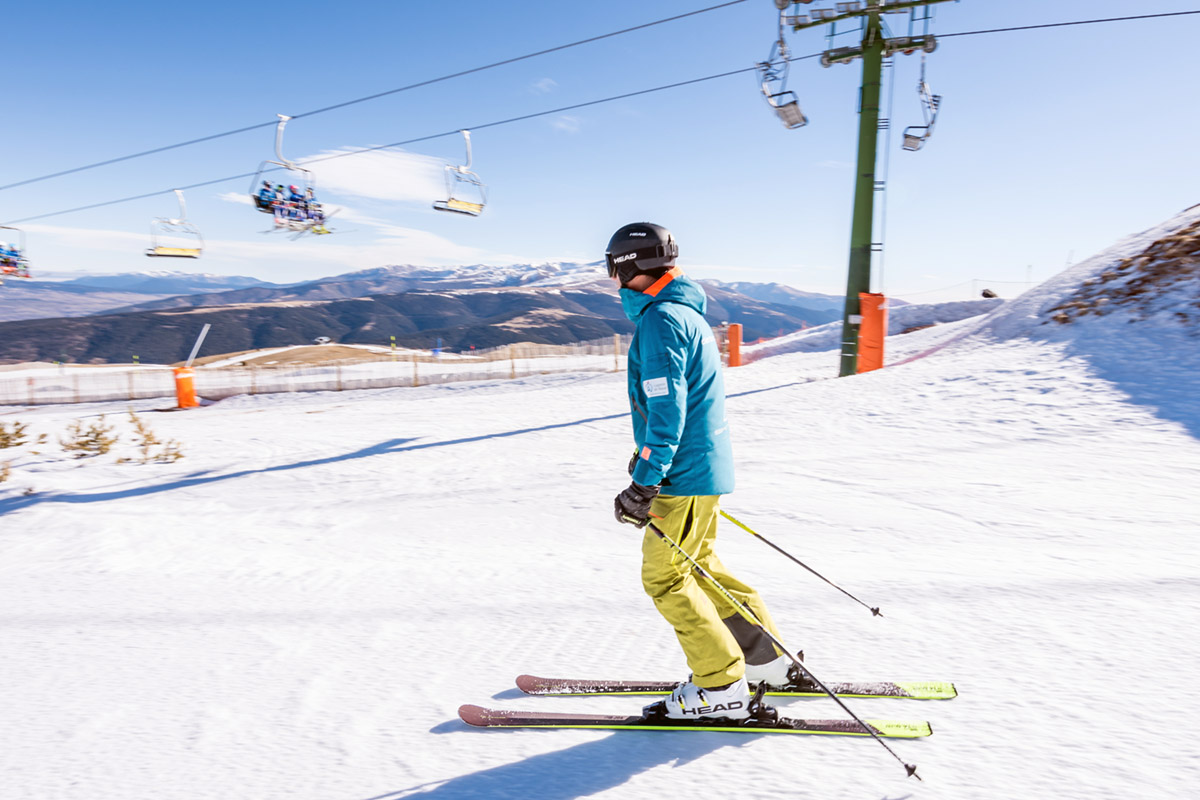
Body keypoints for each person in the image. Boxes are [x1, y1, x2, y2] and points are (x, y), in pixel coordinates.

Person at [608, 221, 796, 721]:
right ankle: (767, 662)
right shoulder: (685, 314)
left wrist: (648, 477)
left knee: (666, 578)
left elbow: (666, 406)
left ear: (625, 267)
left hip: (681, 476)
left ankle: (720, 688)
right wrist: (650, 456)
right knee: (701, 567)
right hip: (701, 467)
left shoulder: (660, 320)